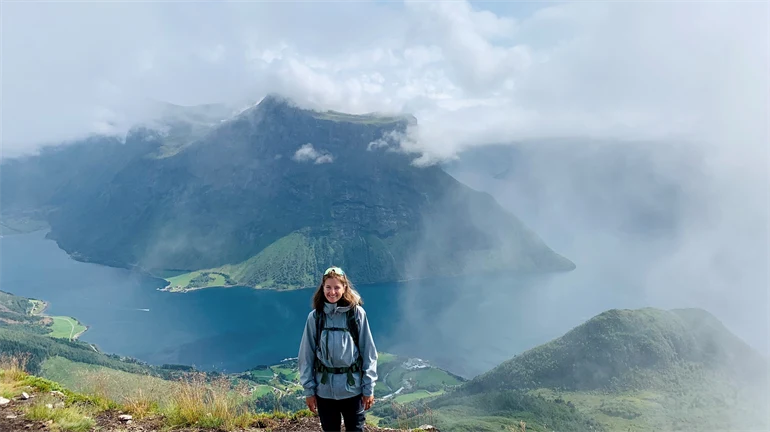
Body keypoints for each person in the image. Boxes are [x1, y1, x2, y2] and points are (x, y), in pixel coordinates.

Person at [298, 266, 378, 432]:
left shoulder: (356, 314)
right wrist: (309, 391)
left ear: (344, 288)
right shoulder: (315, 317)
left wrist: (368, 388)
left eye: (337, 287)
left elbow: (369, 353)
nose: (332, 292)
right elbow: (306, 356)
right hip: (324, 392)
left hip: (352, 391)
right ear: (323, 288)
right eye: (328, 287)